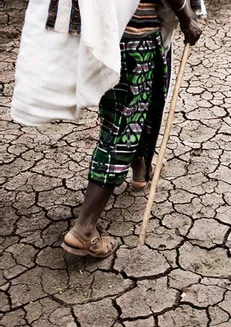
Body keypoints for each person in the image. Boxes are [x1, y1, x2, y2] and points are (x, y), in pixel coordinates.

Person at [61, 0, 202, 258]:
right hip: (133, 39)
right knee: (121, 130)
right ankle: (84, 230)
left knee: (139, 114)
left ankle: (140, 171)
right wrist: (185, 15)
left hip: (110, 35)